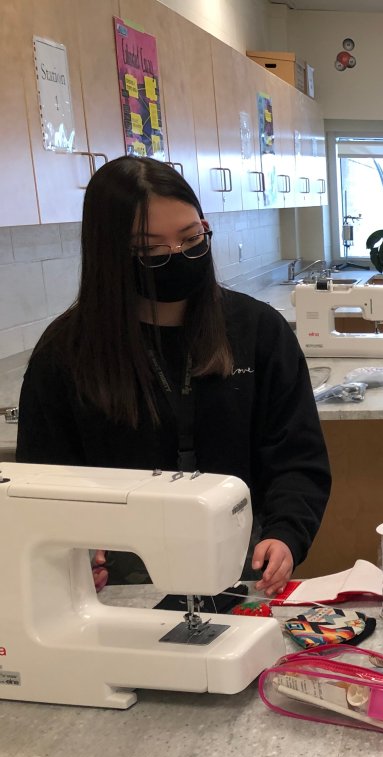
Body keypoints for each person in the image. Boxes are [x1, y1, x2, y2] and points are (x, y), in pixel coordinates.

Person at [16, 157, 331, 596]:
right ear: (112, 254)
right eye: (151, 250)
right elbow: (44, 482)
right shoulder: (67, 353)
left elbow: (296, 455)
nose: (178, 257)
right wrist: (70, 551)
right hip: (118, 581)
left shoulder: (256, 329)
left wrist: (286, 534)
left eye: (191, 239)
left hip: (242, 561)